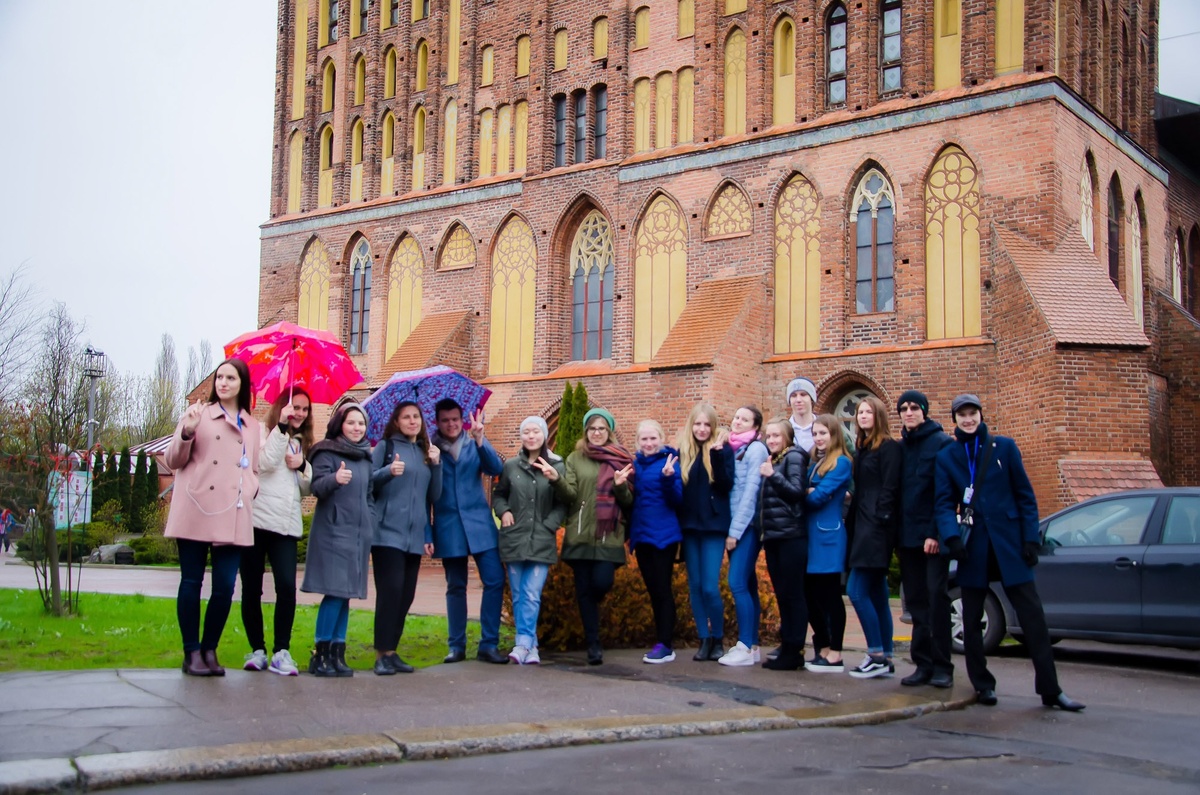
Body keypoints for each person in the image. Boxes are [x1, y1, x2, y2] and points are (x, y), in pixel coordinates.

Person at [934, 394, 1084, 711]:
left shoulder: (1004, 448)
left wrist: (1030, 540)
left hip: (1009, 545)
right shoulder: (948, 456)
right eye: (962, 415)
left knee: (1033, 619)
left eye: (973, 413)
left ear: (980, 415)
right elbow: (944, 504)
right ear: (955, 419)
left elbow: (1025, 497)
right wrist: (952, 537)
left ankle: (1050, 689)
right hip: (973, 547)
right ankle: (983, 685)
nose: (968, 419)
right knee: (971, 620)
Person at [164, 358, 260, 677]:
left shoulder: (252, 425)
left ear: (242, 384)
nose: (223, 383)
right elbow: (173, 460)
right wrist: (187, 432)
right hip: (195, 507)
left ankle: (209, 648)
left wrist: (248, 490)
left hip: (232, 513)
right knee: (191, 581)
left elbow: (254, 470)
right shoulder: (198, 414)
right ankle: (191, 652)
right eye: (220, 377)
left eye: (231, 378)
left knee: (224, 587)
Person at [547, 407, 633, 665]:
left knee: (601, 583)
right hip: (581, 533)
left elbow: (629, 502)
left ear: (609, 432)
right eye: (592, 429)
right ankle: (593, 644)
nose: (597, 433)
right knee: (584, 591)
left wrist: (620, 487)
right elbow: (570, 494)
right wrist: (556, 480)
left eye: (602, 429)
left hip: (609, 535)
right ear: (586, 432)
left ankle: (592, 624)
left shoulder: (621, 458)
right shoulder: (574, 458)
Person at [240, 389, 314, 677]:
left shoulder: (304, 443)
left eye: (305, 409)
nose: (300, 413)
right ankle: (256, 648)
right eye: (295, 407)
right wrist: (281, 429)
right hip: (257, 521)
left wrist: (303, 465)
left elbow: (308, 489)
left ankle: (281, 650)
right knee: (252, 588)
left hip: (285, 524)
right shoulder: (262, 430)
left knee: (286, 587)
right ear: (283, 407)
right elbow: (263, 464)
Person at [428, 399, 507, 664]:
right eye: (445, 420)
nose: (451, 424)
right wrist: (428, 533)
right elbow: (427, 496)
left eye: (455, 419)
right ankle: (456, 646)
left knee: (495, 580)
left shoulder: (474, 444)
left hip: (479, 524)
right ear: (437, 423)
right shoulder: (429, 450)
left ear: (462, 419)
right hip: (449, 526)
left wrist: (481, 439)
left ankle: (488, 644)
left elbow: (496, 469)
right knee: (456, 586)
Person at [301, 403, 375, 677]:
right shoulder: (325, 451)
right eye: (351, 423)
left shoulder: (366, 458)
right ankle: (320, 654)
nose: (357, 428)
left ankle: (338, 653)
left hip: (358, 534)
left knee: (346, 596)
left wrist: (370, 522)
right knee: (334, 593)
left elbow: (369, 496)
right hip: (333, 533)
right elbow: (316, 488)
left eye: (361, 424)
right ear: (339, 425)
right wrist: (335, 477)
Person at [370, 401, 442, 675]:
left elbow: (434, 496)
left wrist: (436, 465)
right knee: (390, 592)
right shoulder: (385, 448)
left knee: (406, 595)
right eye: (406, 417)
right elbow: (368, 481)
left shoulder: (426, 453)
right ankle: (380, 655)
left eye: (416, 417)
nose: (413, 421)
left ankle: (392, 650)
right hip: (386, 533)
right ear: (396, 422)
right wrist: (388, 472)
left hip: (413, 535)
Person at [492, 416, 565, 665]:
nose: (531, 436)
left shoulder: (556, 465)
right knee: (519, 595)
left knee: (532, 593)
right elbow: (499, 495)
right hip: (514, 538)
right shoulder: (511, 466)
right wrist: (505, 511)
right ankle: (530, 646)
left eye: (535, 431)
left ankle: (522, 642)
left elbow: (562, 502)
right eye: (526, 432)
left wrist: (550, 525)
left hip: (541, 539)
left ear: (544, 435)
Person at [894, 390, 955, 688]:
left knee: (937, 600)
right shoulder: (901, 448)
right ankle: (923, 664)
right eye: (903, 408)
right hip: (907, 538)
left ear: (925, 411)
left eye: (914, 407)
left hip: (931, 538)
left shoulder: (942, 443)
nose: (908, 412)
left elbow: (945, 493)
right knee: (916, 603)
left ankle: (943, 666)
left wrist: (935, 532)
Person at [618, 419, 683, 664]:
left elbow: (677, 499)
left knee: (663, 590)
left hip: (663, 536)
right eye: (644, 439)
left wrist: (668, 478)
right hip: (642, 536)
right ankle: (661, 640)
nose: (648, 443)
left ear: (661, 438)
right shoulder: (635, 466)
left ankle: (666, 644)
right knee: (654, 592)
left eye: (653, 438)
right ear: (637, 441)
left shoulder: (670, 462)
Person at [846, 395, 901, 679]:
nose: (863, 416)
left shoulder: (888, 447)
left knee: (856, 590)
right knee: (878, 595)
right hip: (861, 525)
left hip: (876, 529)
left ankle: (876, 653)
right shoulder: (862, 448)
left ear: (878, 416)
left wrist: (881, 521)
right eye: (859, 412)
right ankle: (887, 655)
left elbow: (891, 488)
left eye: (868, 412)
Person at [675, 403, 734, 662]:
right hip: (689, 527)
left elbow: (725, 484)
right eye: (697, 424)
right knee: (695, 586)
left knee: (710, 586)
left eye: (706, 424)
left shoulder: (722, 450)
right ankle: (704, 639)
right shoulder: (682, 452)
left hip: (713, 526)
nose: (701, 429)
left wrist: (718, 456)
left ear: (713, 427)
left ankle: (718, 639)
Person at [757, 419, 810, 670]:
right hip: (775, 536)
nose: (772, 440)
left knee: (793, 594)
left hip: (792, 535)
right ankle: (787, 645)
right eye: (768, 436)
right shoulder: (776, 460)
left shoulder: (794, 457)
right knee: (783, 595)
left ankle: (795, 649)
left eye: (776, 436)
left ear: (787, 437)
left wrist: (772, 476)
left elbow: (796, 491)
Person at [718, 406, 768, 667]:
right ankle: (753, 644)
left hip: (746, 527)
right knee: (748, 585)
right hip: (734, 525)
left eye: (744, 419)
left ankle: (745, 646)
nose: (737, 422)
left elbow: (750, 493)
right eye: (736, 417)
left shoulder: (756, 449)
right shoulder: (733, 446)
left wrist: (734, 532)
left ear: (755, 426)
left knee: (736, 582)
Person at [804, 414, 853, 673]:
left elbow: (818, 498)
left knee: (831, 596)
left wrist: (807, 492)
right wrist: (809, 492)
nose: (819, 438)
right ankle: (821, 646)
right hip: (810, 536)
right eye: (815, 433)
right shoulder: (815, 463)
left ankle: (836, 652)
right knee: (810, 595)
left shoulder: (841, 462)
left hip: (828, 537)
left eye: (823, 433)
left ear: (835, 435)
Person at [785, 377, 820, 454]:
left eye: (803, 394)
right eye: (793, 395)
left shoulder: (826, 427)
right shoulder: (783, 430)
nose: (798, 400)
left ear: (811, 398)